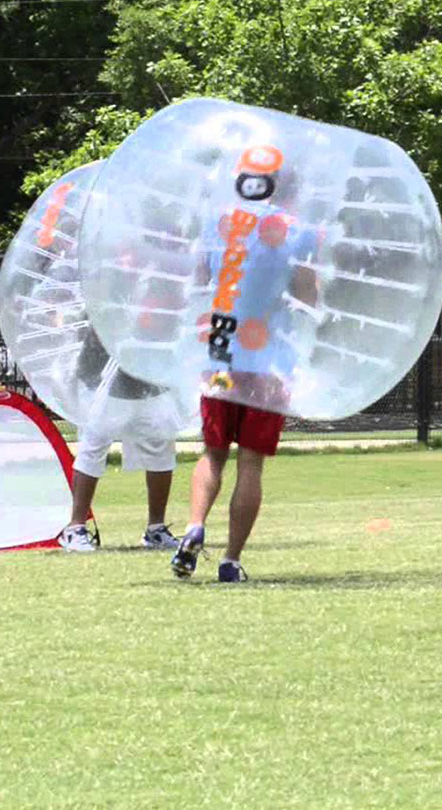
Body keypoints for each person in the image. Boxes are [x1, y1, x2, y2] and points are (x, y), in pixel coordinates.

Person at [171, 158, 323, 582]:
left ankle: (194, 526)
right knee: (250, 463)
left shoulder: (217, 223)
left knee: (212, 453)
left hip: (219, 354)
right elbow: (307, 293)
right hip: (270, 362)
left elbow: (200, 279)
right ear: (286, 189)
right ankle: (230, 560)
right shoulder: (298, 231)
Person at [57, 331, 183, 551]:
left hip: (148, 378)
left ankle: (156, 529)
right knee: (94, 445)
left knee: (161, 444)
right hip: (104, 378)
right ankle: (75, 528)